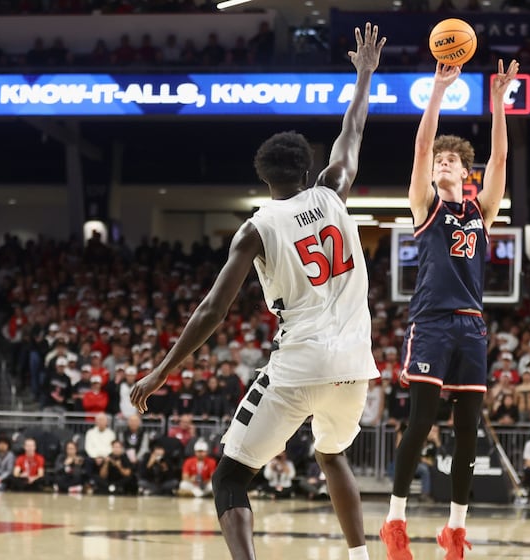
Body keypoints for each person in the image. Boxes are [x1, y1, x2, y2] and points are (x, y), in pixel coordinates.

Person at [130, 23, 386, 560]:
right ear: (309, 170)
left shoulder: (257, 227)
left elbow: (212, 310)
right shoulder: (335, 192)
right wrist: (364, 74)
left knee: (230, 478)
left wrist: (162, 370)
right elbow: (353, 130)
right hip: (356, 366)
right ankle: (361, 556)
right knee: (332, 455)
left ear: (263, 178)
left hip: (300, 363)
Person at [380, 55, 520, 560]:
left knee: (467, 435)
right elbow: (421, 145)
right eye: (438, 160)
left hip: (472, 328)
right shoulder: (426, 206)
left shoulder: (481, 211)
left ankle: (454, 532)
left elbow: (502, 163)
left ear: (467, 173)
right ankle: (395, 523)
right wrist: (438, 91)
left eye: (450, 161)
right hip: (432, 323)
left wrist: (500, 105)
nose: (441, 162)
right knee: (419, 424)